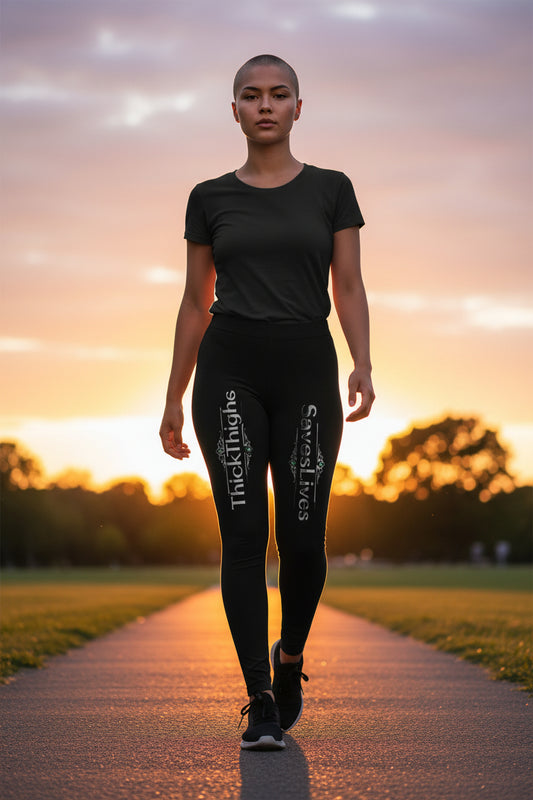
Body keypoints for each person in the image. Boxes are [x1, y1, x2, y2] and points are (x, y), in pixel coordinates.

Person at [159, 54, 375, 751]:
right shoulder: (208, 197)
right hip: (229, 370)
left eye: (278, 94)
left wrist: (362, 362)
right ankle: (257, 697)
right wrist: (172, 395)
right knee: (245, 534)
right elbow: (195, 301)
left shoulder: (332, 189)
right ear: (234, 111)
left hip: (307, 367)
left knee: (304, 540)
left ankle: (289, 659)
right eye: (250, 95)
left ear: (297, 108)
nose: (264, 105)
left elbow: (347, 286)